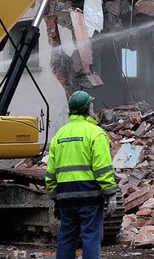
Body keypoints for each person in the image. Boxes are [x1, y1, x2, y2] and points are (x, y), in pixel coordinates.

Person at [46, 90, 119, 259]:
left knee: (66, 237)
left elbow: (51, 172)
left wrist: (54, 196)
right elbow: (103, 169)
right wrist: (111, 193)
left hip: (65, 195)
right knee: (91, 237)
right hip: (90, 195)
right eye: (92, 107)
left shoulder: (59, 135)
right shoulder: (95, 133)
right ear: (88, 109)